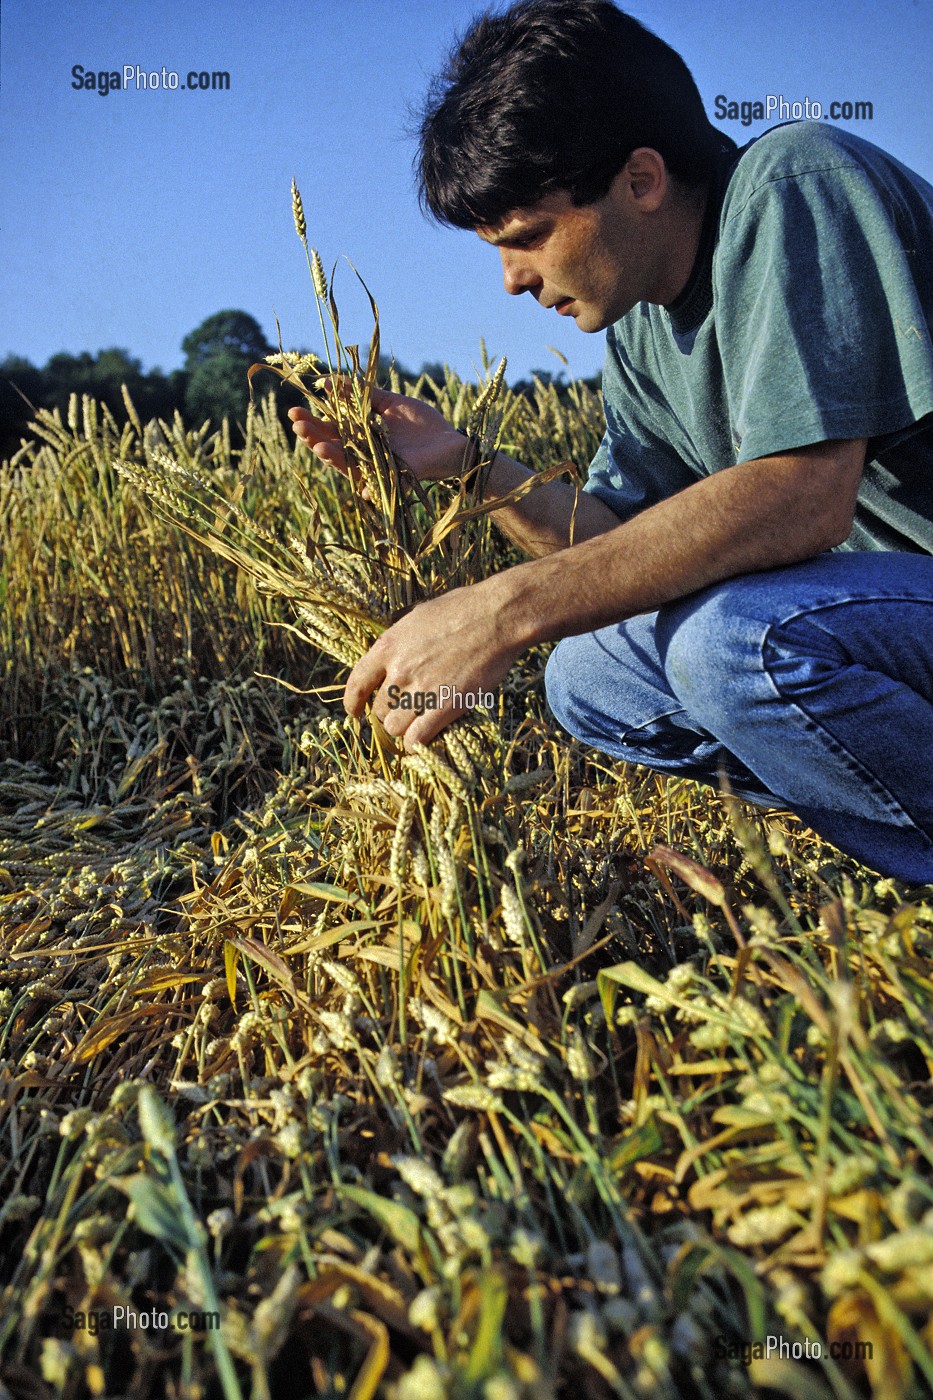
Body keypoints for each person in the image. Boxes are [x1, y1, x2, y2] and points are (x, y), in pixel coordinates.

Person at [290, 0, 933, 884]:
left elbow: (802, 494)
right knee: (592, 678)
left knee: (728, 645)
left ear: (640, 179)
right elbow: (617, 546)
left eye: (527, 237)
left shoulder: (795, 184)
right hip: (891, 619)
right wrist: (466, 466)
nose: (512, 280)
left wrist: (501, 610)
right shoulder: (639, 327)